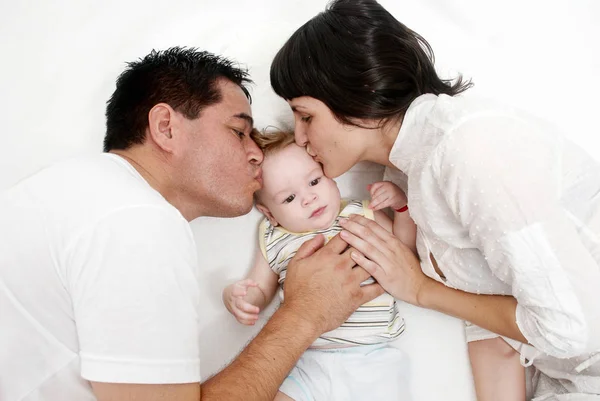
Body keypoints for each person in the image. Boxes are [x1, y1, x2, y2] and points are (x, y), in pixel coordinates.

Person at [0, 47, 384, 401]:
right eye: (238, 132)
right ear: (166, 126)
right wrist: (305, 313)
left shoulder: (71, 187)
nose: (255, 154)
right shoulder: (136, 221)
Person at [269, 1, 600, 400]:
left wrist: (420, 289)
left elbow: (571, 326)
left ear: (359, 92)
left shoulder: (468, 149)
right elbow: (490, 327)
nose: (301, 139)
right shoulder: (406, 175)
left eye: (306, 116)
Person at [222, 130, 416, 401]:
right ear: (269, 214)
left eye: (314, 181)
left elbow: (404, 252)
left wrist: (401, 208)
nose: (308, 198)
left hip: (371, 356)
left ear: (332, 179)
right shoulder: (273, 237)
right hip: (303, 359)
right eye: (289, 198)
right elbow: (260, 289)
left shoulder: (362, 214)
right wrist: (241, 297)